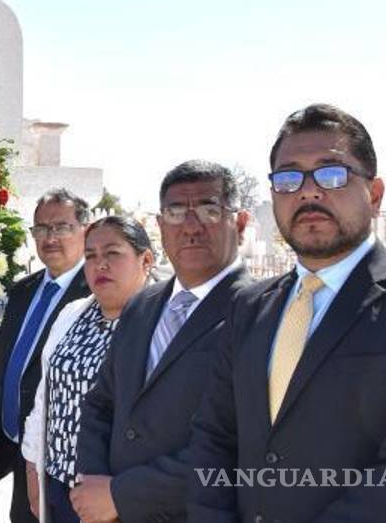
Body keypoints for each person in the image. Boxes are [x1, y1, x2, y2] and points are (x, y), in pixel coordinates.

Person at [189, 103, 386, 522]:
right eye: (288, 178)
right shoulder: (248, 307)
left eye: (332, 174)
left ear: (374, 194)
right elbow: (214, 438)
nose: (308, 191)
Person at [74, 161, 253, 523]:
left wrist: (121, 495)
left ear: (240, 223)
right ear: (159, 225)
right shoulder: (142, 304)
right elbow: (102, 402)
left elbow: (240, 445)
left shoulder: (257, 313)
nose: (190, 227)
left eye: (209, 210)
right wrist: (93, 482)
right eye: (175, 212)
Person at [0, 189, 93, 522]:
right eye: (41, 229)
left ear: (85, 230)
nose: (50, 238)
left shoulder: (96, 293)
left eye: (61, 227)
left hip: (65, 462)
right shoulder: (23, 290)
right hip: (17, 447)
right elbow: (1, 364)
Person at [21, 216, 155, 523]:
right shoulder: (72, 314)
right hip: (57, 485)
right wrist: (33, 469)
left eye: (112, 253)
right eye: (91, 256)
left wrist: (122, 497)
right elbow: (45, 398)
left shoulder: (158, 324)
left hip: (116, 497)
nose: (100, 265)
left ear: (145, 260)